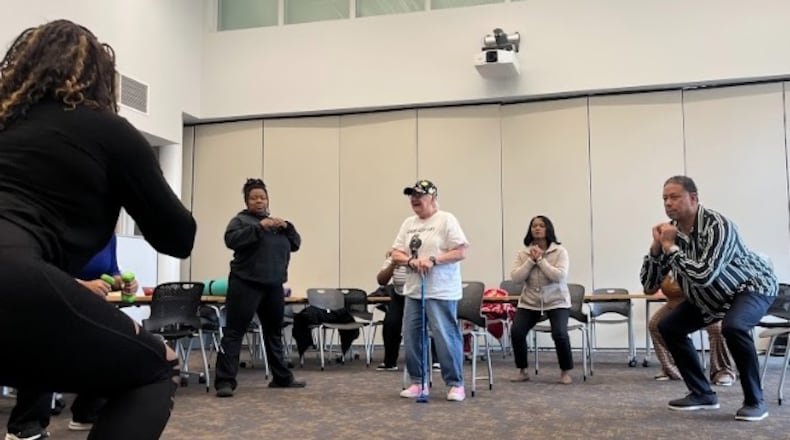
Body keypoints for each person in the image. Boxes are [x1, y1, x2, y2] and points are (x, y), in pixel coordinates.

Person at [0, 19, 196, 440]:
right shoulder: (104, 128)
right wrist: (136, 177)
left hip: (18, 275)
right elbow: (179, 237)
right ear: (99, 77)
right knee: (157, 366)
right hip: (12, 278)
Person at [641, 175, 777, 421]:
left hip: (751, 286)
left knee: (734, 327)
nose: (668, 203)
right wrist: (655, 248)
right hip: (711, 297)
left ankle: (755, 401)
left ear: (693, 198)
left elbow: (704, 275)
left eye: (674, 197)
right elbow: (650, 286)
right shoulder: (671, 233)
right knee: (668, 327)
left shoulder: (718, 226)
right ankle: (702, 393)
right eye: (664, 198)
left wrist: (670, 248)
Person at [6, 235, 140, 438]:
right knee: (46, 355)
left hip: (88, 307)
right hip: (48, 302)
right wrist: (82, 285)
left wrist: (123, 283)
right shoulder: (57, 229)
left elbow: (113, 273)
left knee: (106, 348)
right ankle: (23, 427)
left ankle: (86, 414)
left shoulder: (107, 237)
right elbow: (38, 271)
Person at [214, 178, 305, 397]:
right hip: (245, 283)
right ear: (247, 201)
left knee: (273, 332)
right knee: (234, 332)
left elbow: (296, 244)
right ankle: (225, 381)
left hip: (273, 285)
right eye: (254, 198)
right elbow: (231, 240)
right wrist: (258, 227)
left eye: (262, 197)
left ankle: (282, 378)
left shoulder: (276, 225)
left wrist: (288, 227)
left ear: (268, 200)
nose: (259, 201)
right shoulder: (240, 221)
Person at [391, 179, 469, 402]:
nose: (414, 199)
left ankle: (455, 384)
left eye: (419, 195)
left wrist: (433, 260)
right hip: (414, 290)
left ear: (433, 198)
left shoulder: (446, 219)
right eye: (412, 196)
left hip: (441, 290)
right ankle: (418, 382)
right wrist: (410, 261)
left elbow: (460, 251)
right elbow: (396, 253)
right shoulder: (408, 223)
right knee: (412, 336)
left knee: (445, 336)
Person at [508, 215, 574, 385]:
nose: (537, 228)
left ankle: (565, 371)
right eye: (534, 226)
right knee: (516, 332)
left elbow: (559, 276)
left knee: (559, 333)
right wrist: (531, 260)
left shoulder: (560, 252)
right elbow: (516, 278)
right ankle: (522, 370)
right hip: (530, 301)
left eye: (541, 225)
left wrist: (540, 260)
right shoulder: (523, 253)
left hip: (557, 300)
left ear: (548, 229)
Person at [646, 273, 735, 385]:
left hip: (705, 304)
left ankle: (723, 371)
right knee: (655, 325)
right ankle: (673, 367)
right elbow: (649, 289)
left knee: (716, 328)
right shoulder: (664, 266)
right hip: (674, 304)